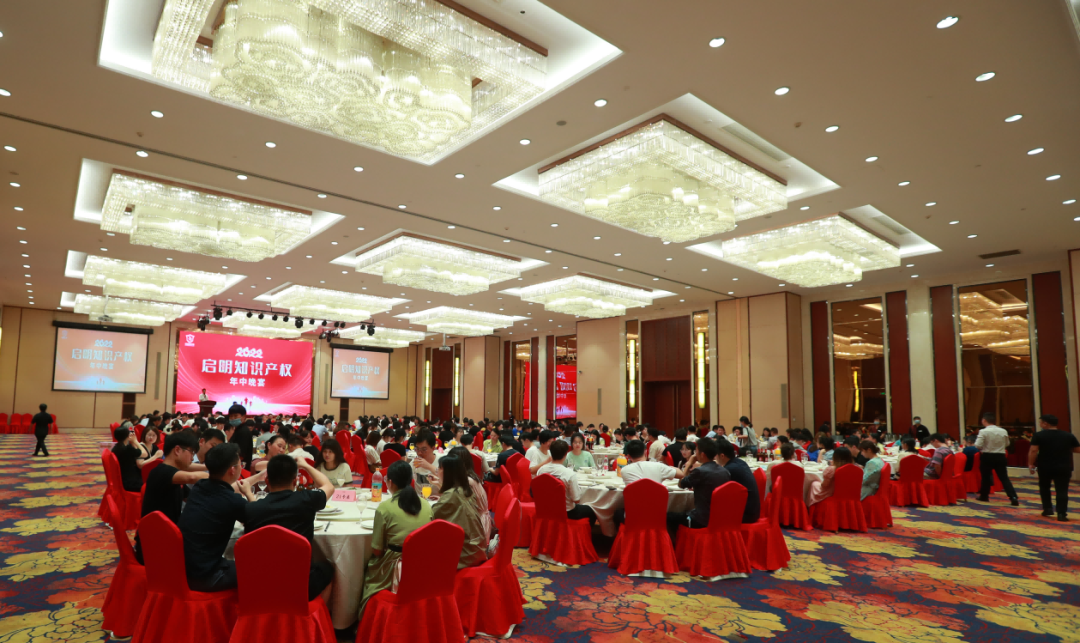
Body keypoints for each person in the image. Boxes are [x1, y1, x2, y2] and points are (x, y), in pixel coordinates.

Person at [244, 455, 335, 600]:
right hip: (299, 585)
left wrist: (249, 493)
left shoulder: (251, 509)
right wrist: (306, 466)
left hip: (260, 585)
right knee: (327, 569)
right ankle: (313, 612)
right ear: (295, 481)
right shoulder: (306, 500)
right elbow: (329, 486)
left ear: (267, 481)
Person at [178, 443, 264, 592]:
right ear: (233, 469)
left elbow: (226, 490)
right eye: (240, 464)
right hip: (204, 576)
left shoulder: (200, 486)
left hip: (181, 568)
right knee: (261, 569)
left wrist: (257, 478)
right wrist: (249, 493)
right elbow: (261, 519)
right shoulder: (232, 501)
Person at [360, 460, 432, 617]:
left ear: (390, 482)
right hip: (423, 563)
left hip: (394, 567)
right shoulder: (426, 505)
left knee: (366, 567)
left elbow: (377, 550)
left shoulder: (385, 508)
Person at [135, 432, 208, 562]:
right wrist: (219, 473)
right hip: (154, 547)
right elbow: (192, 477)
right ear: (177, 450)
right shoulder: (160, 472)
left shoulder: (174, 476)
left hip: (166, 537)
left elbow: (193, 497)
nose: (192, 458)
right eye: (191, 452)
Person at [666, 438, 731, 541]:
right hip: (720, 518)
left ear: (702, 454)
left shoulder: (700, 471)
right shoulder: (725, 471)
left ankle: (678, 546)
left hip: (702, 519)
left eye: (696, 451)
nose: (695, 454)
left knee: (668, 516)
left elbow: (681, 484)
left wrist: (689, 463)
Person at [432, 455, 488, 569]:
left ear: (448, 473)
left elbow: (430, 516)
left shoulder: (452, 495)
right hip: (477, 547)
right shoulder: (463, 489)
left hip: (466, 554)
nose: (437, 472)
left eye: (439, 468)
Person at [1029, 414, 1080, 521]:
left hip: (1045, 466)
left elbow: (1034, 450)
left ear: (1045, 423)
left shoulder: (1039, 435)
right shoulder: (1068, 435)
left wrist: (1031, 464)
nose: (1040, 424)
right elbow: (1077, 449)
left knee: (1044, 487)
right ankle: (1061, 513)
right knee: (1062, 490)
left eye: (1041, 422)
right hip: (1063, 466)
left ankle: (1047, 508)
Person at [536, 440, 596, 527]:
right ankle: (580, 534)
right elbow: (576, 499)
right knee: (591, 510)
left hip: (546, 510)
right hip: (567, 512)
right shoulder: (569, 474)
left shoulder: (541, 470)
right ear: (565, 454)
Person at [974, 413, 1019, 506]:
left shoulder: (983, 431)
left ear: (984, 420)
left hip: (987, 456)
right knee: (1004, 478)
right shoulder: (1003, 431)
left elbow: (978, 445)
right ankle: (1013, 497)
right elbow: (1007, 444)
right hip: (1000, 456)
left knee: (986, 477)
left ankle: (984, 496)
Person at [716, 440, 760, 523]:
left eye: (715, 455)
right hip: (753, 511)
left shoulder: (729, 469)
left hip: (746, 515)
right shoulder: (740, 462)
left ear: (722, 456)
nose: (715, 458)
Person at [111, 427, 146, 492]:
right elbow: (145, 454)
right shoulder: (127, 449)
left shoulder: (115, 448)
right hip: (130, 482)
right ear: (127, 436)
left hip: (123, 478)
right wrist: (135, 441)